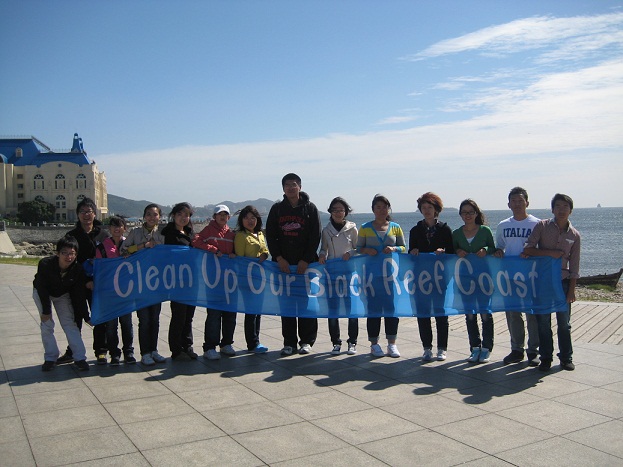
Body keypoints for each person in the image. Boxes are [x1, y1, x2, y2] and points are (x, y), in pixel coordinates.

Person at [523, 193, 580, 372]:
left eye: (565, 207)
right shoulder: (542, 226)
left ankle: (566, 358)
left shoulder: (575, 235)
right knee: (543, 322)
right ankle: (545, 358)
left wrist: (572, 291)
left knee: (564, 323)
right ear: (552, 209)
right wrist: (550, 253)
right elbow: (528, 249)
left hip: (563, 283)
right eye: (558, 206)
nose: (561, 210)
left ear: (570, 210)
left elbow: (575, 268)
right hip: (542, 281)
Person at [266, 173, 322, 356]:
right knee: (287, 304)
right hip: (282, 265)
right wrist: (279, 258)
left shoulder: (310, 209)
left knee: (307, 302)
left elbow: (316, 236)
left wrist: (306, 259)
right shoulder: (277, 209)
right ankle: (289, 342)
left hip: (306, 265)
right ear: (283, 189)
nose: (291, 187)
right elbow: (271, 236)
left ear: (300, 187)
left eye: (295, 184)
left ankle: (307, 341)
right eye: (288, 185)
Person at [493, 187, 540, 367]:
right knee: (513, 314)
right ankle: (516, 349)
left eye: (521, 201)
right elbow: (500, 247)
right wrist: (498, 252)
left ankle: (533, 350)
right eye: (514, 201)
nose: (517, 204)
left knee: (532, 315)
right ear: (508, 204)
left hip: (532, 276)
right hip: (510, 276)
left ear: (527, 202)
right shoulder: (503, 225)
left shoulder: (537, 224)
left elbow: (541, 248)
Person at [58, 198, 107, 365]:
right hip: (78, 283)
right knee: (76, 318)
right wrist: (85, 280)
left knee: (99, 317)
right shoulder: (72, 236)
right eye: (83, 212)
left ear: (95, 213)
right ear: (78, 215)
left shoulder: (103, 234)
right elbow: (69, 260)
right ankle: (72, 351)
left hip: (99, 284)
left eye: (89, 211)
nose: (86, 215)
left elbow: (109, 259)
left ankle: (101, 351)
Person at [357, 194, 406, 358]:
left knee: (392, 310)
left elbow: (403, 247)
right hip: (371, 276)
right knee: (373, 310)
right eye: (378, 207)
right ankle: (374, 344)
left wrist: (394, 249)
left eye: (384, 207)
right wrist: (366, 250)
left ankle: (392, 344)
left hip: (391, 276)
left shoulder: (395, 227)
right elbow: (358, 248)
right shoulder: (364, 227)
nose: (381, 210)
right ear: (373, 209)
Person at [408, 192, 454, 362]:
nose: (427, 211)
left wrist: (444, 252)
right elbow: (410, 252)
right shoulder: (415, 230)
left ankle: (442, 348)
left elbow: (452, 253)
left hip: (440, 278)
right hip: (420, 279)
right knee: (423, 314)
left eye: (430, 207)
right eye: (424, 207)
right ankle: (427, 347)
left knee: (441, 313)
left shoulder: (445, 229)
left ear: (436, 210)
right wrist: (413, 252)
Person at [33, 236, 90, 372]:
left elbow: (79, 296)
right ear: (57, 253)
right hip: (42, 294)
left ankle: (80, 357)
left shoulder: (77, 270)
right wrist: (46, 311)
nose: (68, 257)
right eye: (65, 253)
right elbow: (42, 288)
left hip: (62, 294)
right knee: (47, 324)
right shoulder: (45, 264)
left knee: (69, 323)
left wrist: (86, 316)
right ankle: (50, 358)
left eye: (72, 253)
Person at [120, 203, 166, 366]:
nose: (152, 217)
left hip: (157, 283)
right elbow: (123, 251)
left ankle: (154, 350)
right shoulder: (136, 232)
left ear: (159, 217)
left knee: (155, 319)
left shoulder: (162, 234)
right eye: (149, 214)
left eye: (155, 214)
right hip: (140, 282)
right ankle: (145, 352)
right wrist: (142, 246)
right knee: (144, 319)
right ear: (144, 216)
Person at [452, 199, 496, 364]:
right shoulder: (456, 233)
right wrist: (457, 250)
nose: (468, 215)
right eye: (464, 212)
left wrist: (486, 250)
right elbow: (452, 252)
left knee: (485, 314)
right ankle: (474, 347)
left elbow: (494, 249)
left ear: (476, 213)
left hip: (484, 278)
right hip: (464, 280)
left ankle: (486, 348)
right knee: (470, 315)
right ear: (461, 215)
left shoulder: (485, 231)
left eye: (471, 212)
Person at [192, 204, 238, 360]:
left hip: (230, 280)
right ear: (214, 216)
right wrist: (213, 249)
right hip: (212, 280)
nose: (222, 217)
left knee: (230, 314)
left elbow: (237, 251)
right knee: (213, 314)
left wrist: (233, 254)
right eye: (220, 214)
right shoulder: (208, 230)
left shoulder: (231, 234)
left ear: (229, 218)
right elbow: (196, 241)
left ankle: (226, 344)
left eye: (225, 214)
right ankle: (210, 346)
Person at [318, 197, 359, 355]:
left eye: (341, 210)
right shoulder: (326, 230)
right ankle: (336, 342)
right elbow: (324, 248)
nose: (338, 212)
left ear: (346, 212)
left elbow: (358, 248)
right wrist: (322, 255)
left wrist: (351, 253)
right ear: (330, 212)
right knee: (333, 309)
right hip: (332, 274)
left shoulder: (352, 229)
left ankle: (352, 342)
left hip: (349, 273)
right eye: (334, 210)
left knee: (351, 308)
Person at [95, 216, 135, 365]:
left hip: (126, 291)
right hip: (109, 292)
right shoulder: (102, 247)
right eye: (113, 226)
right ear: (109, 229)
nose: (117, 229)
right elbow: (99, 270)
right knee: (111, 325)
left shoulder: (130, 245)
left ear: (125, 228)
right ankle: (114, 353)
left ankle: (129, 352)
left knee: (127, 323)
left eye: (120, 226)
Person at [162, 202, 198, 361]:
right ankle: (176, 349)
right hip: (176, 281)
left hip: (191, 280)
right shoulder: (168, 233)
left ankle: (187, 346)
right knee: (179, 315)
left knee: (189, 316)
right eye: (180, 214)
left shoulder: (190, 233)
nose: (183, 218)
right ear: (173, 215)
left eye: (187, 215)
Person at [234, 205, 269, 354]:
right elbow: (240, 259)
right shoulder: (241, 236)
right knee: (251, 311)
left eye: (253, 218)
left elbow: (265, 249)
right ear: (241, 220)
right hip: (247, 278)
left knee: (257, 310)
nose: (250, 221)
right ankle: (252, 342)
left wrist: (265, 254)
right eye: (246, 218)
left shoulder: (260, 234)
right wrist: (256, 258)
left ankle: (257, 339)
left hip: (260, 278)